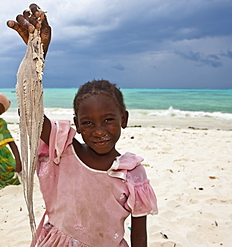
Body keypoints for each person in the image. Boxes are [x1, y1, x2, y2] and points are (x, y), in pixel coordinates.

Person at [8, 4, 157, 246]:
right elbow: (30, 114)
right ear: (77, 124)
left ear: (124, 120)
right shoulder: (63, 151)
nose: (99, 131)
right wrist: (36, 56)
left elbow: (139, 234)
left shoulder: (132, 173)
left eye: (108, 120)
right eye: (88, 123)